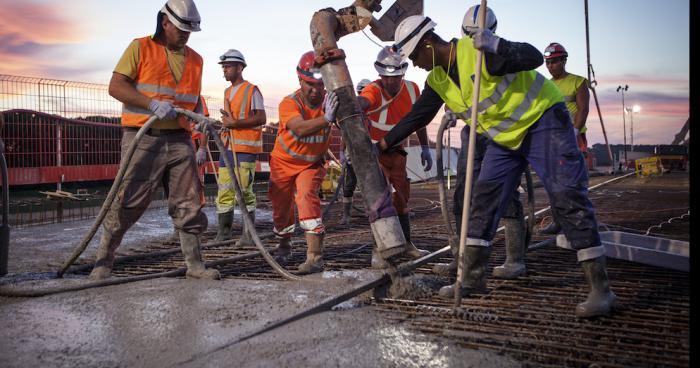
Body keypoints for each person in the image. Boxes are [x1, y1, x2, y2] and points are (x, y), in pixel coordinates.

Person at [381, 6, 617, 318]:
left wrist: (496, 45)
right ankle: (473, 278)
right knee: (483, 199)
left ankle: (600, 288)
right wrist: (384, 143)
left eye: (415, 57)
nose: (416, 65)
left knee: (566, 195)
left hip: (543, 120)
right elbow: (418, 115)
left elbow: (533, 57)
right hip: (505, 138)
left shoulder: (477, 49)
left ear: (427, 45)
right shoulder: (438, 79)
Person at [90, 0, 219, 280]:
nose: (185, 34)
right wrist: (151, 105)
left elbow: (192, 98)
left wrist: (199, 117)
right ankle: (103, 263)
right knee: (128, 201)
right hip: (143, 138)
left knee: (189, 203)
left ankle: (195, 265)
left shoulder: (196, 59)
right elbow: (116, 86)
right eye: (181, 28)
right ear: (164, 22)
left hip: (180, 139)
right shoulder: (140, 47)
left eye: (189, 30)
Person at [430, 7, 529, 280]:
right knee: (463, 193)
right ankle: (460, 258)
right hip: (473, 133)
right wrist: (453, 110)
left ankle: (514, 259)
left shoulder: (499, 55)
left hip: (502, 133)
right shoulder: (458, 55)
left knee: (505, 192)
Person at [356, 46, 431, 268]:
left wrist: (425, 146)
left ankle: (407, 245)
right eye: (388, 77)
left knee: (401, 199)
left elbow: (420, 119)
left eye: (397, 76)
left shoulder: (412, 90)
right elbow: (364, 102)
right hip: (374, 154)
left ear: (403, 73)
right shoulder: (373, 89)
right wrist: (350, 104)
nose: (392, 82)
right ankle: (378, 251)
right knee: (379, 201)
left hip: (397, 153)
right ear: (380, 75)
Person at [268, 51, 338, 275]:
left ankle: (315, 257)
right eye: (310, 84)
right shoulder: (289, 103)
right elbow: (298, 127)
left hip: (310, 164)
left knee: (306, 197)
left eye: (320, 84)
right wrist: (326, 119)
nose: (316, 90)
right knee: (281, 208)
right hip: (282, 164)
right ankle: (284, 244)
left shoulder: (332, 101)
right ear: (300, 80)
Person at [214, 49, 267, 246]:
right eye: (224, 67)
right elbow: (230, 121)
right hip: (228, 146)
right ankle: (224, 232)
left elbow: (261, 117)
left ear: (240, 67)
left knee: (244, 191)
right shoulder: (227, 92)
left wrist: (235, 123)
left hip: (245, 148)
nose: (224, 71)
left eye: (227, 67)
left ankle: (248, 235)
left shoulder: (252, 90)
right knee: (225, 190)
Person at [540, 42, 591, 235]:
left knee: (573, 181)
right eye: (548, 63)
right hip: (552, 139)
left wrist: (576, 131)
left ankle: (579, 223)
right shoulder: (546, 85)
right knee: (553, 182)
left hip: (573, 138)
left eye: (554, 62)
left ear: (563, 60)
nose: (550, 66)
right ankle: (558, 222)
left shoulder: (578, 82)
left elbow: (583, 108)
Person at [338, 79, 371, 227]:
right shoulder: (351, 111)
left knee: (370, 185)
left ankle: (372, 212)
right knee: (349, 185)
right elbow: (345, 132)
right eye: (360, 93)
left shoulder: (373, 111)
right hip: (353, 153)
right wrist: (342, 152)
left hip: (369, 154)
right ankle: (346, 215)